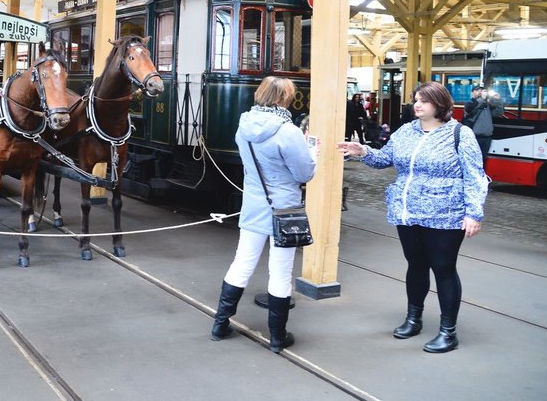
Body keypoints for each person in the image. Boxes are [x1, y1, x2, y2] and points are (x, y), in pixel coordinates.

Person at [338, 81, 488, 354]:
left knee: (443, 268)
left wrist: (473, 213)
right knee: (415, 265)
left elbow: (475, 176)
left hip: (446, 214)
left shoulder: (460, 134)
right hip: (408, 211)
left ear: (440, 105)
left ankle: (448, 331)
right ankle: (413, 319)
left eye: (424, 101)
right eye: (415, 99)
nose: (416, 105)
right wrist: (363, 152)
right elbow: (385, 159)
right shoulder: (406, 131)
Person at [210, 76, 317, 352]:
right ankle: (277, 338)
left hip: (254, 205)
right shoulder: (289, 131)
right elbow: (304, 173)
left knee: (242, 263)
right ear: (283, 99)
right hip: (284, 209)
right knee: (280, 273)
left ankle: (220, 325)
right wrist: (310, 151)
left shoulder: (243, 125)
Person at [463, 86, 503, 166]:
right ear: (472, 93)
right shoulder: (470, 104)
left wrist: (498, 100)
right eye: (478, 91)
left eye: (482, 91)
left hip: (487, 138)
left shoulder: (487, 105)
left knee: (483, 160)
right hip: (475, 137)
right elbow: (471, 109)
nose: (480, 92)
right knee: (473, 160)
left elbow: (499, 113)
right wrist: (482, 99)